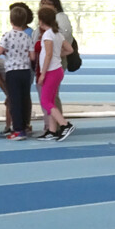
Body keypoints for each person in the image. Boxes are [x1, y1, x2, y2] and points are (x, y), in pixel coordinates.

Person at [0, 3, 36, 140]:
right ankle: (25, 126)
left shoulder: (7, 36)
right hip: (25, 71)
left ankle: (18, 130)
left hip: (12, 71)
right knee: (25, 99)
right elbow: (32, 57)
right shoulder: (27, 37)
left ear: (11, 20)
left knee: (14, 100)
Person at [36, 8, 76, 140]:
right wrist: (58, 55)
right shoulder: (57, 34)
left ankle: (65, 124)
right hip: (57, 69)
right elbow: (69, 50)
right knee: (51, 100)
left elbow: (47, 55)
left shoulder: (48, 35)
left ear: (41, 21)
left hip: (51, 71)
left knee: (45, 101)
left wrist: (42, 74)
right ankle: (52, 131)